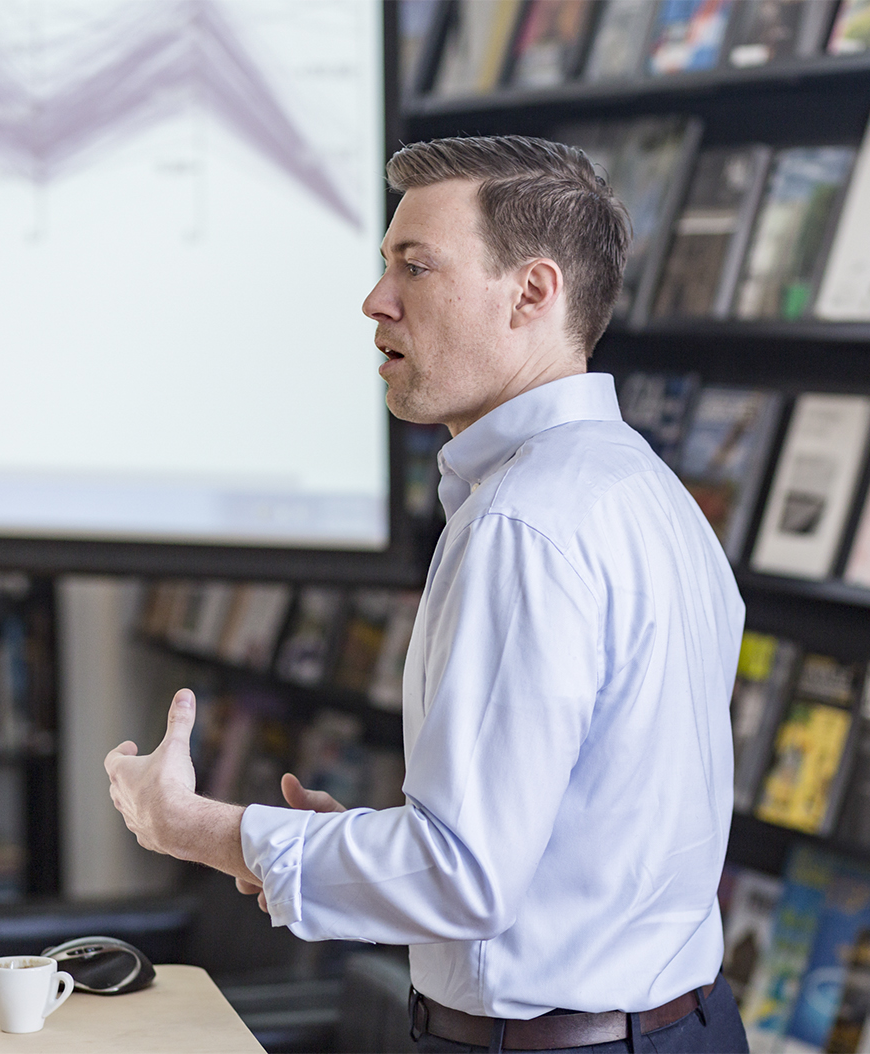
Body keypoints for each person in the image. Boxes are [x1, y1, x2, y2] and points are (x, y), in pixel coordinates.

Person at [105, 135, 749, 1054]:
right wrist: (363, 858)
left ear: (532, 293)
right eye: (383, 266)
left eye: (416, 266)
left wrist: (191, 826)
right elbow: (571, 840)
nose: (376, 301)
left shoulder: (520, 526)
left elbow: (464, 879)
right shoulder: (649, 491)